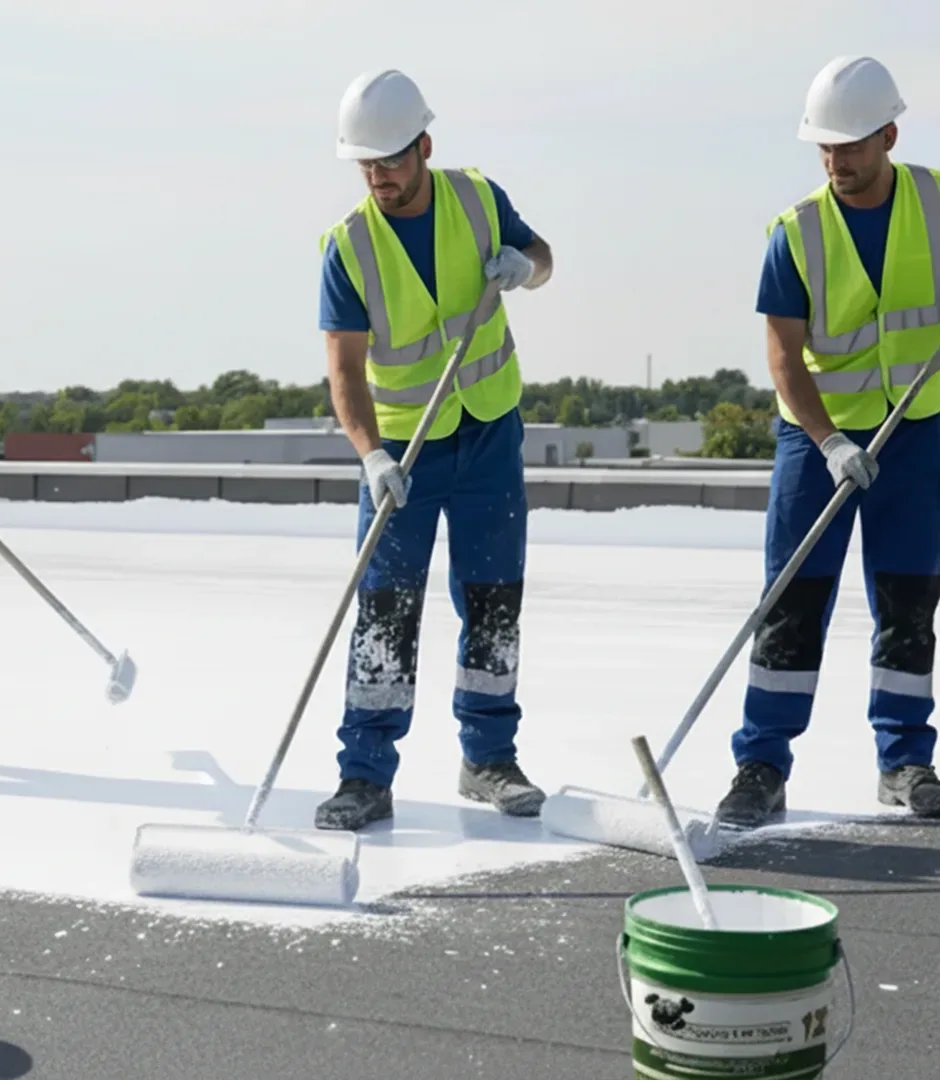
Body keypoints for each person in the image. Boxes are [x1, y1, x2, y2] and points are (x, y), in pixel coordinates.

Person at [715, 57, 940, 829]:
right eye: (825, 148)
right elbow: (784, 359)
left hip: (914, 434)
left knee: (908, 599)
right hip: (818, 444)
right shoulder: (795, 234)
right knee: (792, 603)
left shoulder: (937, 198)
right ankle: (761, 765)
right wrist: (826, 443)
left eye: (851, 144)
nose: (838, 161)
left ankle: (904, 762)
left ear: (890, 133)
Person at [311, 70, 556, 832]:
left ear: (424, 145)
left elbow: (542, 255)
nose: (380, 176)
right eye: (367, 165)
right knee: (384, 612)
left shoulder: (480, 200)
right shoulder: (348, 247)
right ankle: (365, 774)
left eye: (390, 159)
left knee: (493, 601)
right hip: (401, 454)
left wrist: (526, 269)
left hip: (488, 434)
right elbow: (345, 372)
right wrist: (371, 455)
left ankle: (488, 759)